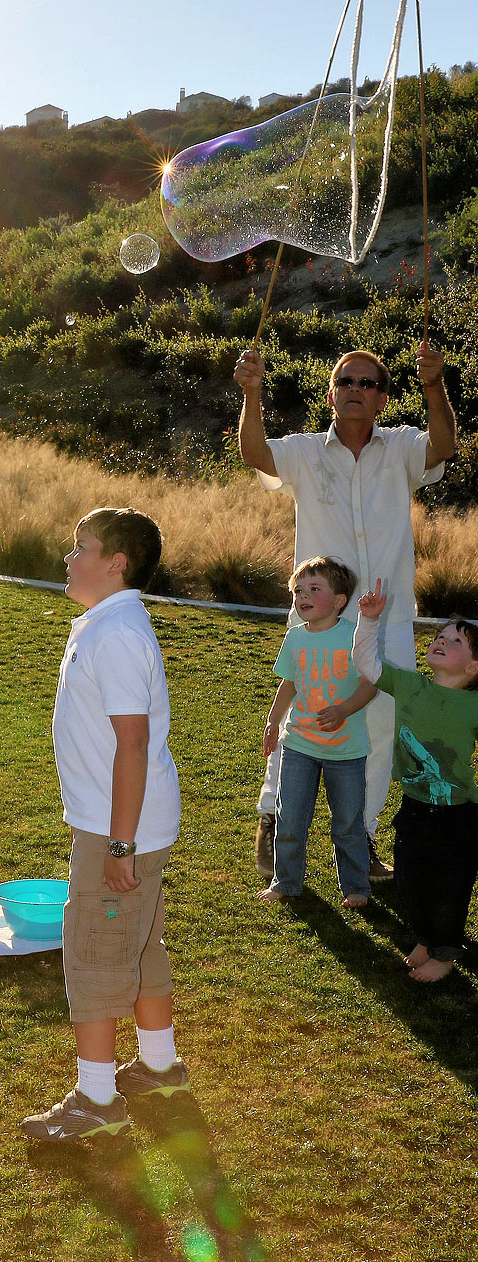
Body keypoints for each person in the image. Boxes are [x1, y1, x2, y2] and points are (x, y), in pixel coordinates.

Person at [235, 343, 456, 882]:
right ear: (331, 394)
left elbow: (445, 444)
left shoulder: (402, 447)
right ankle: (274, 816)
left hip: (390, 620)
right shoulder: (306, 450)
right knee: (297, 718)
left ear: (382, 398)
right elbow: (256, 455)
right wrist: (251, 393)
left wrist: (434, 384)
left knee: (381, 724)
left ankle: (361, 836)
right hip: (318, 616)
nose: (355, 389)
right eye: (346, 381)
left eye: (368, 383)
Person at [20, 508, 187, 1143]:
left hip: (120, 829)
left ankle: (98, 1100)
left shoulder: (115, 634)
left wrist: (120, 843)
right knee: (140, 943)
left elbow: (134, 745)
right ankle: (160, 1067)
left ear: (115, 563)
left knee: (91, 957)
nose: (69, 558)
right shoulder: (108, 623)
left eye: (80, 548)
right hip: (130, 824)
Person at [354, 582, 478, 983]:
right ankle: (425, 937)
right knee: (409, 879)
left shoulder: (474, 704)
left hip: (458, 816)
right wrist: (368, 621)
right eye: (440, 635)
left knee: (450, 888)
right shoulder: (410, 684)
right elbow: (366, 664)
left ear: (473, 668)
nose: (442, 641)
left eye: (455, 641)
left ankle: (443, 952)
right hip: (413, 806)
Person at [259, 556, 377, 908]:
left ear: (340, 600)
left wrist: (343, 710)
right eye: (298, 591)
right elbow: (289, 683)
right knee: (290, 818)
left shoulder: (352, 637)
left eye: (314, 589)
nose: (303, 597)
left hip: (347, 752)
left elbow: (370, 685)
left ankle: (356, 887)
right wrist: (273, 720)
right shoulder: (295, 638)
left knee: (347, 825)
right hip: (300, 745)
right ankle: (286, 882)